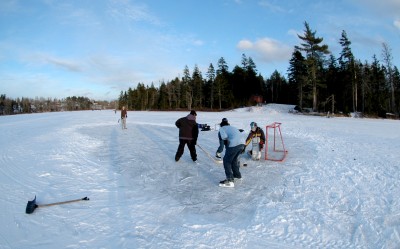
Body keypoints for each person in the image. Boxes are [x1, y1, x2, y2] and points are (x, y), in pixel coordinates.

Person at [218, 119, 245, 187]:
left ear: (221, 125)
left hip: (234, 144)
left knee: (226, 161)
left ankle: (230, 180)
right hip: (242, 144)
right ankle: (237, 175)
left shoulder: (222, 128)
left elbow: (224, 138)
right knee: (234, 160)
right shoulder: (232, 127)